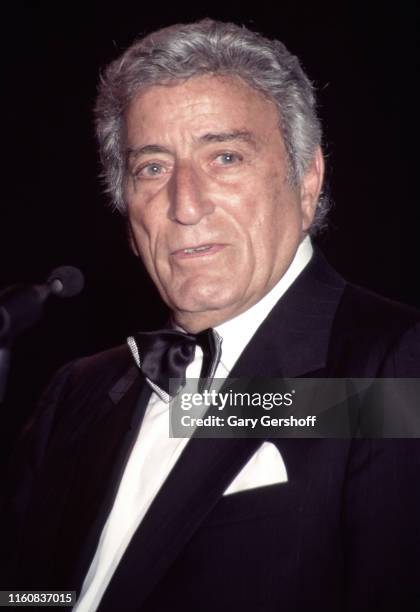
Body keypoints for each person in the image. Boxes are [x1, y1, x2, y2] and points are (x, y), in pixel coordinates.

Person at [1, 18, 419, 612]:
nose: (185, 204)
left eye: (224, 156)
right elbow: (26, 592)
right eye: (152, 167)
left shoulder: (396, 366)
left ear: (307, 181)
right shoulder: (77, 391)